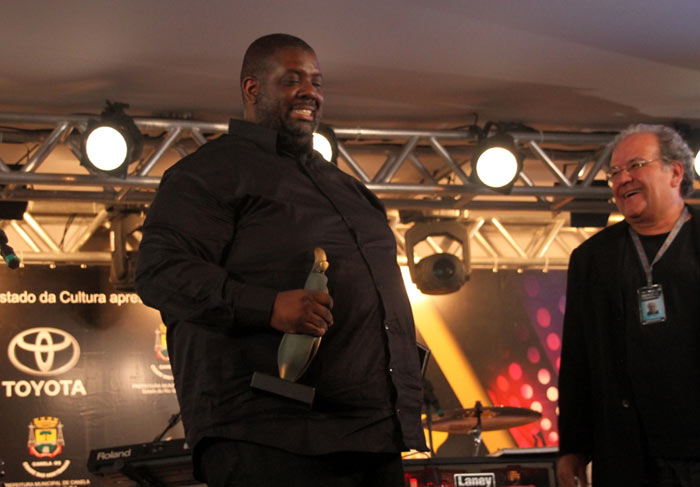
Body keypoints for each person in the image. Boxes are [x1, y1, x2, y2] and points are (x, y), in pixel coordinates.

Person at [134, 33, 426, 487]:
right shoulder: (210, 172)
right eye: (292, 80)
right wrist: (267, 306)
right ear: (253, 89)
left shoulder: (352, 192)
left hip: (372, 436)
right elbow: (160, 271)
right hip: (266, 435)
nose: (310, 91)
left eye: (316, 81)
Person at [557, 124, 700, 487]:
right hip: (627, 454)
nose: (623, 179)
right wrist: (573, 447)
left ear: (676, 172)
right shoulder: (592, 258)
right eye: (615, 172)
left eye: (635, 165)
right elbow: (578, 359)